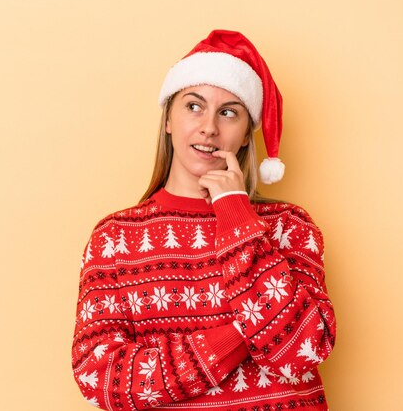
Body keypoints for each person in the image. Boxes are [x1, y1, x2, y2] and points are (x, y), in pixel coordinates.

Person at [72, 29, 336, 410]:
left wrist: (235, 212)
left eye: (229, 112)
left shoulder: (288, 226)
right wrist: (237, 338)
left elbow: (302, 350)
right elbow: (100, 377)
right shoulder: (115, 239)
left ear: (246, 135)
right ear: (168, 121)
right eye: (194, 106)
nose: (209, 127)